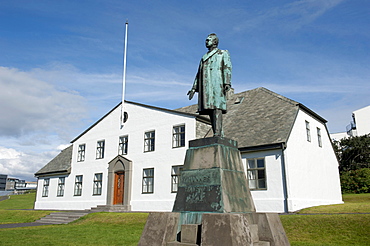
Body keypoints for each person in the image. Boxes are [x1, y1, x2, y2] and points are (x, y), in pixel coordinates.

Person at [188, 33, 232, 137]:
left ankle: (218, 132)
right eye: (206, 40)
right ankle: (218, 132)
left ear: (215, 42)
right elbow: (199, 74)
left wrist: (227, 82)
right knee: (210, 109)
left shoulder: (222, 53)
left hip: (217, 84)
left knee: (217, 107)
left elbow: (227, 67)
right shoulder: (203, 57)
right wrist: (194, 88)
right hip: (206, 86)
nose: (206, 42)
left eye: (208, 40)